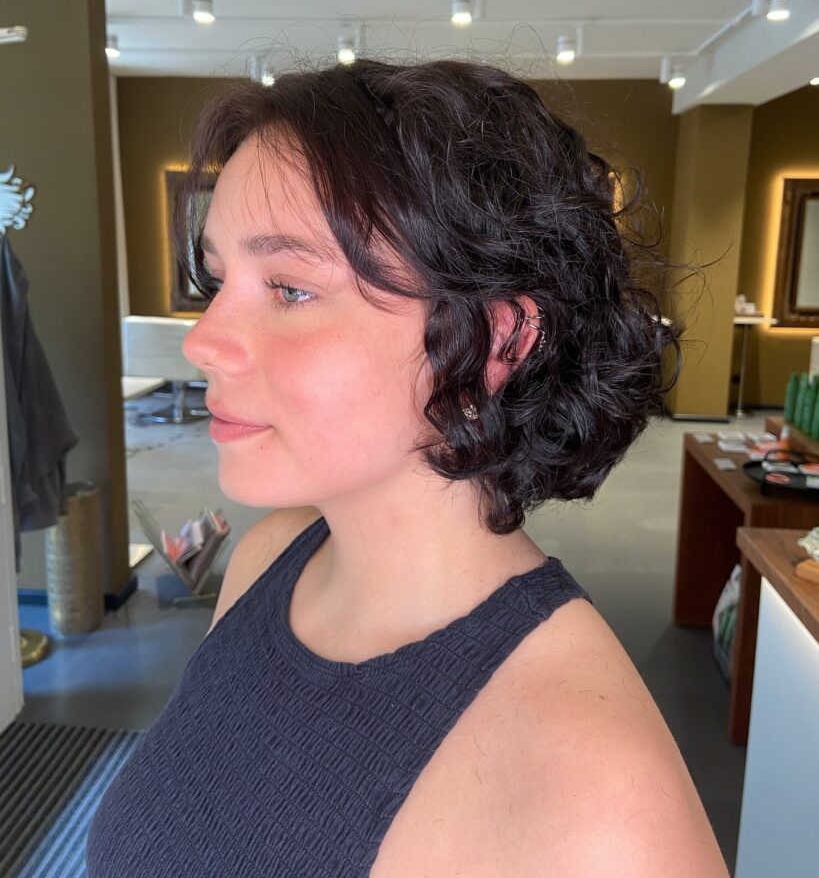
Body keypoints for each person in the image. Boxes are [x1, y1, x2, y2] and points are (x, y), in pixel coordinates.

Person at [86, 58, 729, 876]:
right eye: (218, 280)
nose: (202, 340)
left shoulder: (597, 792)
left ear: (497, 339)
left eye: (288, 288)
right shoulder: (265, 561)